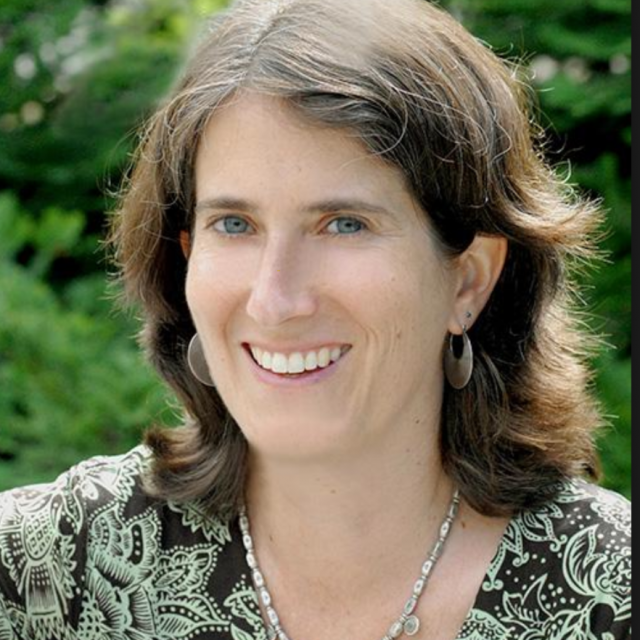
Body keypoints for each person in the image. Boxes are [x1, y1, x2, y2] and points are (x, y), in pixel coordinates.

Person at [0, 0, 631, 638]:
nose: (274, 301)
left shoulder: (613, 592)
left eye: (344, 224)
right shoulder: (44, 571)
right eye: (234, 224)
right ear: (186, 257)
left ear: (467, 280)